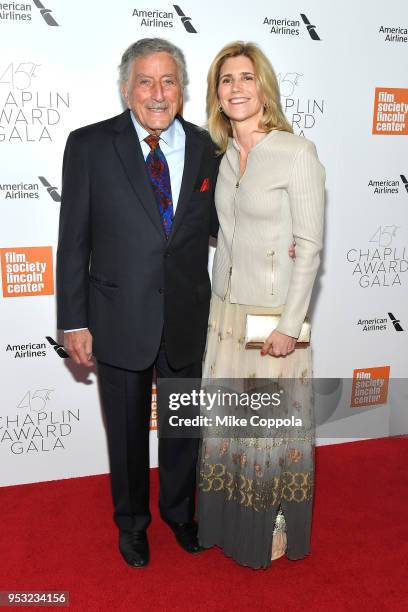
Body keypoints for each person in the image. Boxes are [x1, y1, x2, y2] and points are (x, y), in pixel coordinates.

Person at [56, 38, 220, 568]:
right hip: (118, 317)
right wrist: (74, 320)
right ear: (126, 88)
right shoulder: (88, 145)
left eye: (168, 81)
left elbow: (223, 226)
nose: (157, 92)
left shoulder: (205, 148)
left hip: (187, 317)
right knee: (126, 435)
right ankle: (131, 524)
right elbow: (73, 241)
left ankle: (179, 512)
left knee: (181, 429)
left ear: (183, 89)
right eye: (145, 81)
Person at [197, 41, 325, 569]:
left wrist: (290, 325)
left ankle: (270, 531)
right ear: (217, 94)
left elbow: (310, 246)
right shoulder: (223, 157)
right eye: (226, 80)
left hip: (273, 318)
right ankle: (225, 526)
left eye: (246, 77)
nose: (236, 88)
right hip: (226, 314)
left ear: (263, 87)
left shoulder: (296, 152)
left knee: (270, 431)